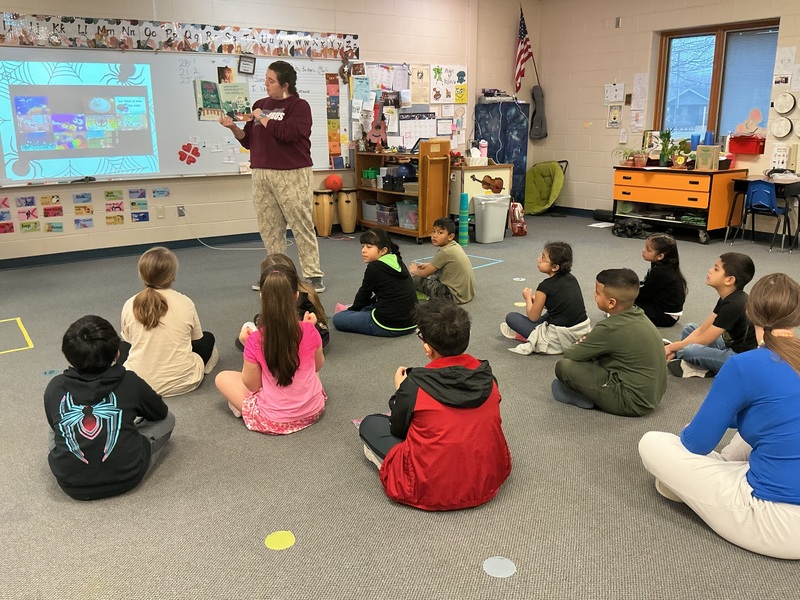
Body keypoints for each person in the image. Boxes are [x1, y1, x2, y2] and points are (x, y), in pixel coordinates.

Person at [639, 273, 800, 560]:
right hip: (786, 494)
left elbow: (696, 443)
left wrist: (722, 414)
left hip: (778, 522)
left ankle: (699, 484)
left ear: (749, 312)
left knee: (652, 442)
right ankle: (712, 476)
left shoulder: (745, 364)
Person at [359, 299, 511, 511]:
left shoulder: (414, 386)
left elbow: (398, 429)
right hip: (486, 478)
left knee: (370, 424)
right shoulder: (487, 376)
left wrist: (399, 392)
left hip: (432, 487)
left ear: (428, 348)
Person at [218, 60, 325, 293]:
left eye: (271, 80)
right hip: (261, 173)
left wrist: (262, 118)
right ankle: (276, 273)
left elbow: (288, 133)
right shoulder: (259, 104)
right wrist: (233, 128)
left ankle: (313, 275)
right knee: (269, 227)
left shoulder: (299, 106)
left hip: (292, 173)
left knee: (301, 224)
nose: (266, 84)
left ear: (285, 84)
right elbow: (248, 140)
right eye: (265, 79)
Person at [44, 315, 175, 501]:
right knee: (169, 419)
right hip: (128, 477)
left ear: (68, 355)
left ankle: (73, 461)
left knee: (55, 423)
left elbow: (54, 422)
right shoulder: (130, 381)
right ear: (117, 353)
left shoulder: (55, 386)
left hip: (71, 484)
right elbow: (160, 413)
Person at [216, 264, 326, 434]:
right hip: (313, 411)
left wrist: (247, 346)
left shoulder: (254, 340)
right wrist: (308, 330)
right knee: (309, 370)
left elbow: (253, 386)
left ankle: (245, 410)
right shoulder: (310, 330)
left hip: (274, 420)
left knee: (222, 377)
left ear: (262, 296)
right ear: (296, 296)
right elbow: (318, 366)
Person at [552, 268, 667, 416]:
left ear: (612, 303)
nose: (594, 295)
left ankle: (587, 398)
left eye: (597, 292)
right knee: (594, 357)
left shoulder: (610, 327)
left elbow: (570, 354)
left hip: (633, 402)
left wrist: (587, 340)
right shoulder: (638, 314)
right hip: (653, 394)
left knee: (563, 367)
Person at [120, 246, 217, 397]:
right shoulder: (185, 302)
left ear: (142, 275)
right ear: (173, 276)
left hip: (139, 384)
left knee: (122, 347)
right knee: (208, 338)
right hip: (185, 382)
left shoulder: (130, 304)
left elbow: (129, 341)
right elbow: (196, 339)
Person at [664, 252, 756, 378]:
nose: (710, 270)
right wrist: (675, 349)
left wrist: (672, 347)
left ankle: (705, 368)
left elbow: (705, 340)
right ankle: (698, 363)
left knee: (690, 350)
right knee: (690, 328)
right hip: (727, 345)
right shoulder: (727, 297)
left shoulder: (735, 304)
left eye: (716, 269)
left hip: (740, 359)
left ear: (729, 280)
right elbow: (703, 329)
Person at [502, 241, 591, 354]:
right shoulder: (572, 278)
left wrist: (528, 298)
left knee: (511, 317)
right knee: (550, 312)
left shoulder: (544, 287)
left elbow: (533, 317)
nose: (538, 259)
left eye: (543, 258)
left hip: (558, 336)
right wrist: (538, 300)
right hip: (580, 328)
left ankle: (530, 336)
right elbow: (558, 301)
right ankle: (530, 331)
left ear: (555, 267)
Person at [332, 229, 417, 337]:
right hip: (412, 322)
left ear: (383, 250)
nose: (363, 250)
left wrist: (351, 311)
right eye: (362, 246)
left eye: (369, 247)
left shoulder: (374, 267)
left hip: (389, 326)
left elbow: (364, 294)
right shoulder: (396, 260)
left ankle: (349, 311)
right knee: (366, 306)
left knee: (338, 318)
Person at [237, 253, 329, 350]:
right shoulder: (307, 290)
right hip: (320, 337)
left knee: (247, 328)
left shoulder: (281, 301)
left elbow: (280, 330)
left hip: (299, 344)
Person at [409, 217, 474, 304]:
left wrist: (414, 271)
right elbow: (446, 264)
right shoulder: (455, 245)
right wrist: (429, 265)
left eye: (440, 233)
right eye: (433, 231)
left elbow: (424, 274)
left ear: (450, 236)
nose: (434, 235)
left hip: (452, 296)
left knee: (415, 280)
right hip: (466, 294)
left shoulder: (444, 252)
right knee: (435, 271)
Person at [635, 233, 687, 327]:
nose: (643, 251)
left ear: (660, 256)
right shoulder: (663, 266)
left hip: (665, 316)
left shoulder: (661, 272)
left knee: (623, 303)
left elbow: (645, 294)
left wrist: (626, 294)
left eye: (648, 249)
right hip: (665, 310)